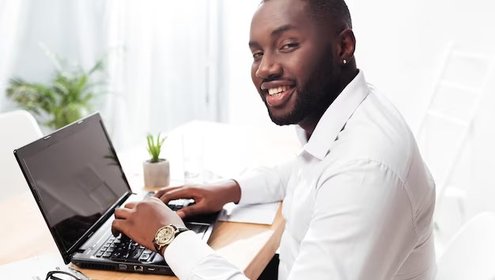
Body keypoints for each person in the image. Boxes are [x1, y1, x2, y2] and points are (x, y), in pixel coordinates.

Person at [112, 0, 437, 279]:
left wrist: (168, 236)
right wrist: (231, 189)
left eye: (287, 45)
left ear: (343, 46)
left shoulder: (365, 167)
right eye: (257, 53)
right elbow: (307, 169)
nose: (264, 69)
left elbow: (345, 173)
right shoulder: (351, 116)